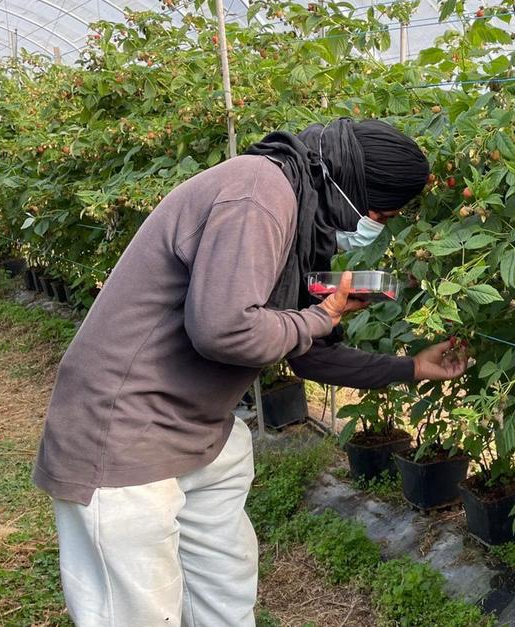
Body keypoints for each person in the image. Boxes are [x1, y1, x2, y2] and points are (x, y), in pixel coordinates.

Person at [32, 118, 464, 626]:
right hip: (123, 433)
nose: (376, 226)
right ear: (347, 182)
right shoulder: (258, 192)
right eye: (378, 212)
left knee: (225, 596)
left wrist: (410, 367)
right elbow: (223, 330)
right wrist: (321, 316)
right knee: (136, 612)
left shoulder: (305, 215)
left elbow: (306, 352)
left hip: (200, 433)